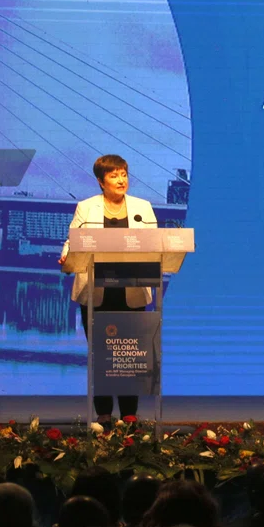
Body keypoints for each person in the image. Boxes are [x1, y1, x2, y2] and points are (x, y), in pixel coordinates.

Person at [59, 154, 157, 426]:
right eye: (114, 175)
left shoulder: (142, 207)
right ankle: (103, 412)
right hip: (96, 291)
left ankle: (129, 413)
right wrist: (66, 255)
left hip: (132, 290)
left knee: (130, 354)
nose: (121, 179)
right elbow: (73, 241)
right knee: (101, 354)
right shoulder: (86, 207)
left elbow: (153, 243)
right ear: (101, 181)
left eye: (124, 174)